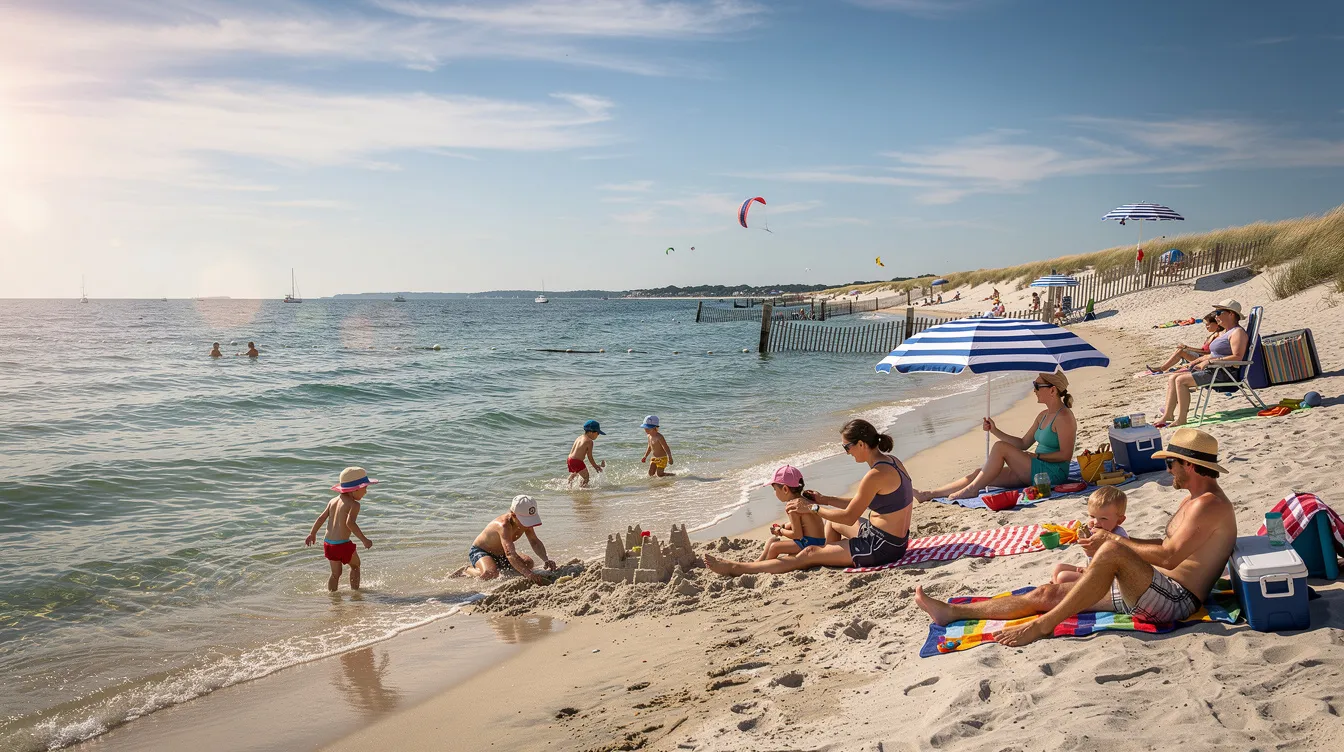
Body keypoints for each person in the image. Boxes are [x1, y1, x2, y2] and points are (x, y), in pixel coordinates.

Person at [915, 428, 1238, 647]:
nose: (1168, 469)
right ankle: (952, 612)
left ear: (1189, 465)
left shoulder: (1209, 505)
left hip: (1175, 601)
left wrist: (1112, 542)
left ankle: (1042, 626)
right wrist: (1118, 543)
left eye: (1171, 463)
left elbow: (1169, 557)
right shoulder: (1194, 500)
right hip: (1153, 587)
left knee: (1110, 551)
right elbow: (1165, 547)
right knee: (1047, 592)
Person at [704, 419, 913, 575]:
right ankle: (827, 556)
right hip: (890, 539)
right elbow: (861, 503)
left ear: (861, 444)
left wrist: (812, 508)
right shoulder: (891, 461)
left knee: (809, 553)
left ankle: (737, 568)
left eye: (846, 447)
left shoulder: (874, 475)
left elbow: (850, 517)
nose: (847, 452)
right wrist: (825, 500)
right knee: (832, 524)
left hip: (882, 548)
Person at [916, 370, 1076, 501]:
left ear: (1052, 390)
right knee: (981, 473)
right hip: (1034, 468)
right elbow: (1023, 443)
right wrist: (994, 430)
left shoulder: (1064, 417)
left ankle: (972, 490)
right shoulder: (1043, 415)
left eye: (1037, 385)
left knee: (1000, 448)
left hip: (1052, 474)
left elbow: (1065, 456)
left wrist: (1037, 456)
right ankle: (928, 494)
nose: (1034, 390)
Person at [1155, 300, 1249, 427]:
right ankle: (1168, 415)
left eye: (1219, 312)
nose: (1216, 316)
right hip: (1214, 369)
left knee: (1181, 381)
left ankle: (1182, 418)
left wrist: (1210, 361)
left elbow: (1238, 357)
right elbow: (1213, 354)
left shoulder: (1237, 332)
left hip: (1224, 373)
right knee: (1173, 377)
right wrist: (1195, 361)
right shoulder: (1226, 332)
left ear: (1231, 314)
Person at [304, 467, 376, 591]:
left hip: (329, 544)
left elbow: (321, 518)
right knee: (355, 566)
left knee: (335, 574)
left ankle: (333, 597)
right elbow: (350, 523)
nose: (366, 492)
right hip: (342, 544)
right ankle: (355, 593)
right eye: (365, 488)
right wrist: (364, 540)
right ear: (355, 489)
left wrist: (312, 533)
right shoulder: (354, 505)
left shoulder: (332, 501)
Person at [457, 495, 556, 585]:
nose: (528, 524)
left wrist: (546, 559)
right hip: (482, 551)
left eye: (530, 519)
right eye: (525, 520)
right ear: (513, 514)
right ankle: (466, 570)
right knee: (490, 574)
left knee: (528, 563)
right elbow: (510, 554)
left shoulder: (526, 523)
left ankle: (496, 565)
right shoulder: (503, 525)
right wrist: (528, 574)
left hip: (502, 552)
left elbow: (534, 541)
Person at [1050, 487, 1128, 584]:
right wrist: (1083, 537)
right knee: (1059, 568)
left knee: (1063, 577)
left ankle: (1060, 589)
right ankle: (1056, 588)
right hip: (1092, 569)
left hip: (1107, 579)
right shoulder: (1094, 531)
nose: (1096, 522)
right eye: (1092, 517)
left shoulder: (1118, 536)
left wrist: (1091, 552)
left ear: (1119, 520)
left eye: (1103, 518)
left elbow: (1115, 565)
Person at [757, 465, 826, 561]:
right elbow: (802, 522)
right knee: (773, 540)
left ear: (785, 489)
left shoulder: (792, 507)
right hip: (820, 541)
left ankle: (763, 565)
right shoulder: (804, 500)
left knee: (775, 547)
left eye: (775, 489)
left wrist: (781, 531)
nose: (774, 493)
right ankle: (760, 560)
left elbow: (797, 535)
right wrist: (784, 526)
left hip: (810, 544)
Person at [1148, 313, 1222, 373]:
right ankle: (1162, 367)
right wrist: (1187, 348)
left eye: (1208, 324)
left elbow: (1207, 352)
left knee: (1182, 351)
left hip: (1204, 359)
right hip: (1202, 356)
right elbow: (1203, 350)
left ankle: (1162, 368)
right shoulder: (1213, 335)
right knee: (1181, 350)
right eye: (1205, 324)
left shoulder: (1217, 336)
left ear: (1216, 323)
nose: (1206, 326)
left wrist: (1187, 348)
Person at [567, 420, 606, 487]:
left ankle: (568, 485)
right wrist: (595, 466)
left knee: (575, 473)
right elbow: (590, 457)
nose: (598, 435)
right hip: (577, 461)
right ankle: (582, 490)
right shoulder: (589, 441)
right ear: (591, 432)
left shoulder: (579, 437)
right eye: (597, 433)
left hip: (569, 459)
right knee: (586, 477)